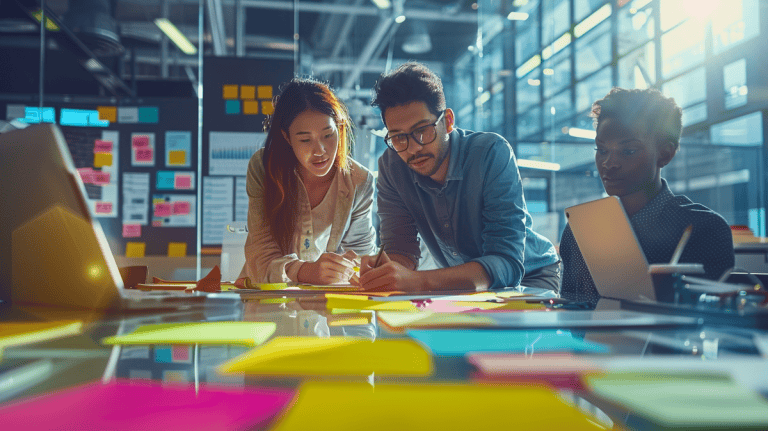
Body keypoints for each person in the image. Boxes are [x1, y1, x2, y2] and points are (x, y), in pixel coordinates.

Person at [360, 62, 561, 292]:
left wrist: (419, 281)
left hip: (531, 275)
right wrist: (385, 270)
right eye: (398, 137)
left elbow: (506, 263)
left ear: (447, 121)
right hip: (462, 286)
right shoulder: (392, 165)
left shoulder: (491, 153)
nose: (413, 148)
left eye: (422, 130)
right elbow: (401, 249)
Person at [559, 87, 735, 304]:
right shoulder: (580, 229)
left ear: (665, 154)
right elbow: (570, 314)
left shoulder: (705, 229)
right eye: (602, 150)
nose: (609, 163)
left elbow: (714, 323)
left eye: (628, 151)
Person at [238, 78, 376, 285]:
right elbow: (261, 251)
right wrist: (306, 272)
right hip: (267, 294)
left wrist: (352, 266)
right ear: (286, 137)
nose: (320, 150)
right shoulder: (263, 167)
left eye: (328, 135)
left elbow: (361, 255)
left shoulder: (359, 180)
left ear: (339, 128)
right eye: (305, 139)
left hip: (326, 297)